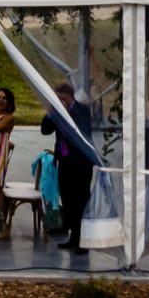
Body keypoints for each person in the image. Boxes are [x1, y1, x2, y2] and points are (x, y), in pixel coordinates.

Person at [40, 79, 95, 252]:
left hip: (81, 164)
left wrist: (66, 114)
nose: (60, 102)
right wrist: (51, 114)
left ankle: (83, 240)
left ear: (69, 97)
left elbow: (82, 130)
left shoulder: (82, 110)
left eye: (61, 99)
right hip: (64, 162)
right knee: (68, 201)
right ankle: (73, 236)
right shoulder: (57, 113)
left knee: (80, 202)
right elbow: (45, 130)